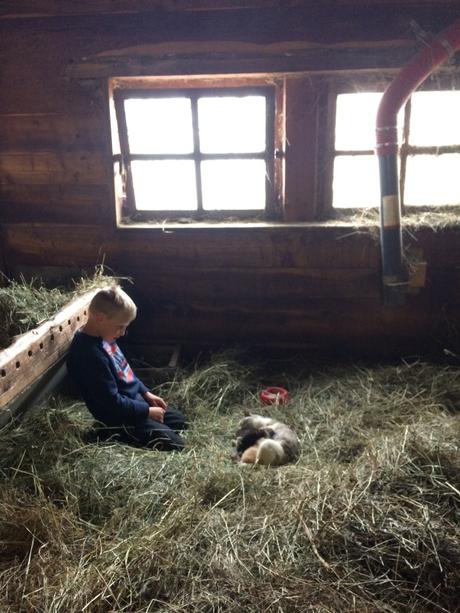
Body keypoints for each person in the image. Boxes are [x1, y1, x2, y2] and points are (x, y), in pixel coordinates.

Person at [66, 285, 186, 451]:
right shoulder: (88, 355)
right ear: (100, 318)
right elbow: (111, 403)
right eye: (120, 326)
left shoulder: (106, 337)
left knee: (181, 422)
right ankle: (111, 435)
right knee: (175, 445)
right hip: (118, 418)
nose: (123, 332)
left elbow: (125, 370)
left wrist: (145, 392)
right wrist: (147, 411)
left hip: (133, 401)